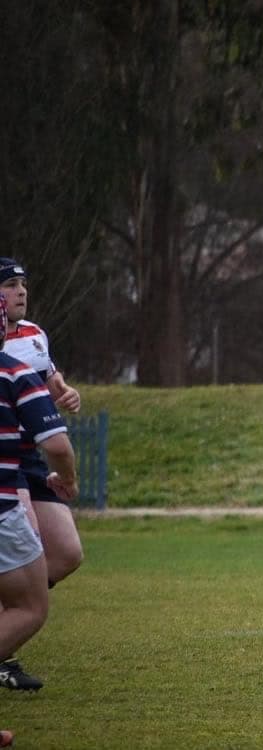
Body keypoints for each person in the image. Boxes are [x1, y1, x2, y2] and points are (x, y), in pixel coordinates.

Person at [0, 290, 79, 746]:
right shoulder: (12, 373)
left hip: (19, 480)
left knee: (65, 554)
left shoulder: (34, 344)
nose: (23, 292)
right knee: (29, 607)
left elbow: (57, 387)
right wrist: (67, 477)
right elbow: (58, 444)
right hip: (7, 494)